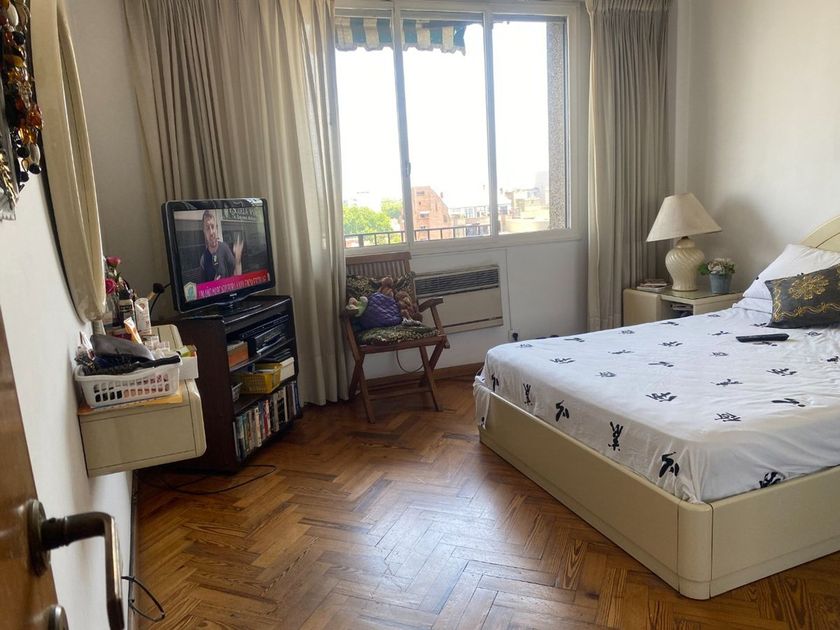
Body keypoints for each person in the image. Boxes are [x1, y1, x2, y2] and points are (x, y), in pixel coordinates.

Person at [199, 210, 243, 282]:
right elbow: (203, 287)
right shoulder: (203, 260)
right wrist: (214, 285)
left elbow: (237, 276)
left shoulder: (225, 248)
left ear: (216, 228)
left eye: (212, 227)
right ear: (204, 232)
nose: (211, 232)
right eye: (207, 228)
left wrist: (238, 260)